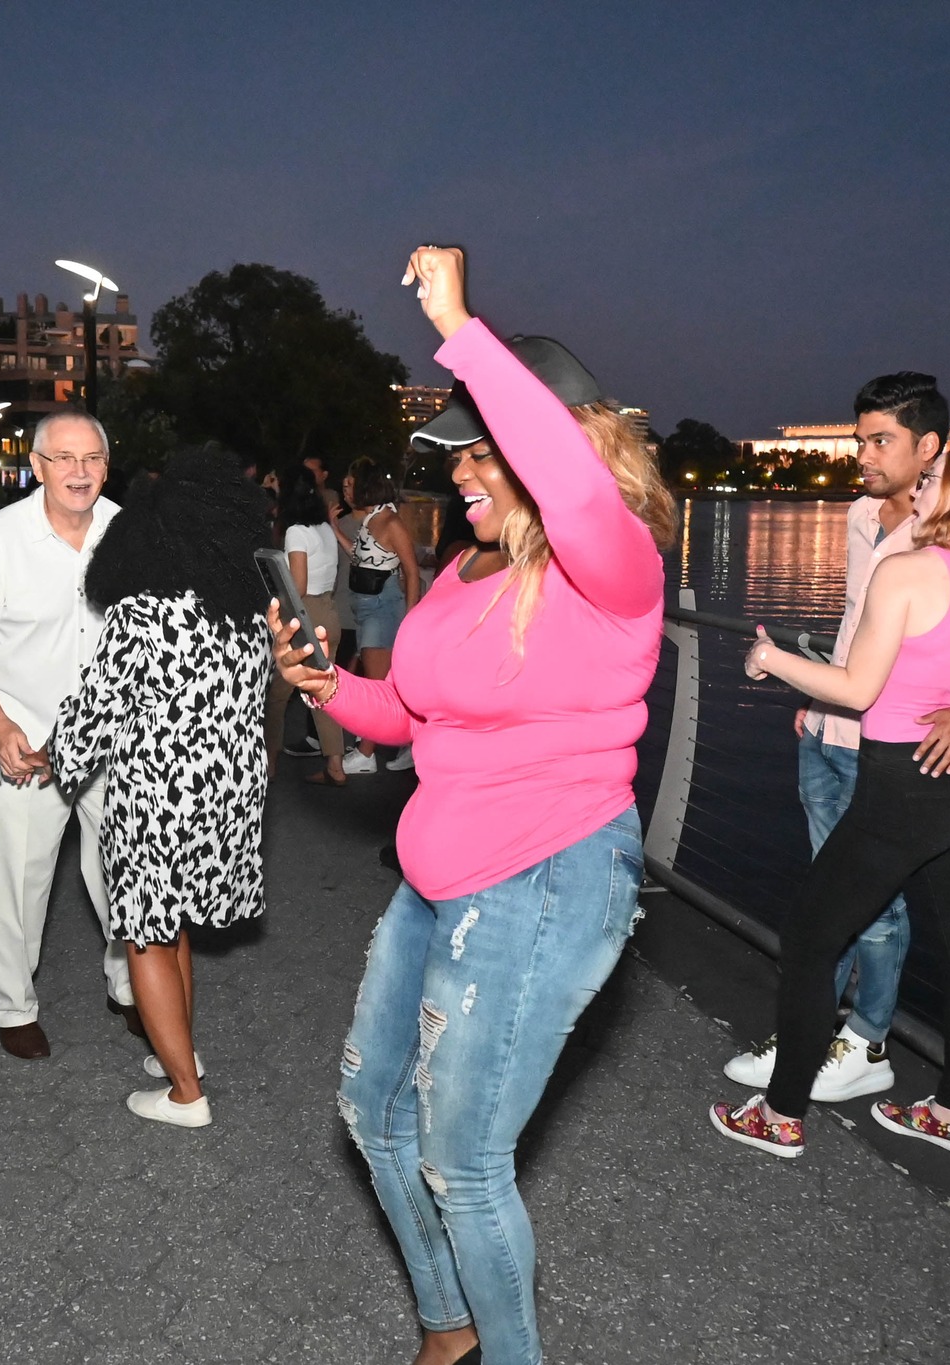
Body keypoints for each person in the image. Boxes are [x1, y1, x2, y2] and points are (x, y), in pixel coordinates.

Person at [271, 246, 674, 1365]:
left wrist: (458, 325)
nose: (453, 478)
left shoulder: (615, 566)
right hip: (432, 880)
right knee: (370, 1113)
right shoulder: (462, 572)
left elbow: (575, 489)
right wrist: (327, 687)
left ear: (551, 450)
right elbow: (410, 709)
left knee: (464, 1158)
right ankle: (449, 1323)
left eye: (474, 457)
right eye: (448, 461)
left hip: (544, 883)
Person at [723, 374, 950, 1102]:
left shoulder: (913, 569)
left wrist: (772, 660)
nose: (924, 482)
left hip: (898, 778)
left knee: (811, 935)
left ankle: (791, 1102)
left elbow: (862, 685)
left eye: (937, 475)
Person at [47, 447, 273, 1128]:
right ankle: (183, 1054)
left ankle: (184, 1094)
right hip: (228, 794)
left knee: (145, 932)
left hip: (160, 796)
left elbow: (94, 711)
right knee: (171, 927)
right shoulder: (244, 609)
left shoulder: (145, 613)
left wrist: (52, 756)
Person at [0, 412, 137, 1060]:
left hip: (110, 734)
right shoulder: (0, 537)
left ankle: (132, 987)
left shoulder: (126, 531)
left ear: (107, 466)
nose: (79, 471)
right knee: (18, 872)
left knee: (123, 865)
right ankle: (14, 1003)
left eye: (91, 459)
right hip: (22, 731)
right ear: (39, 466)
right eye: (64, 458)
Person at [334, 457, 422, 774]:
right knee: (383, 682)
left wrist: (410, 615)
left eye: (351, 484)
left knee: (376, 684)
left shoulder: (390, 521)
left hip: (384, 606)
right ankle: (407, 741)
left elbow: (412, 572)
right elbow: (360, 558)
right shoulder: (371, 518)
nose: (346, 490)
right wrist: (335, 529)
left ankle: (367, 753)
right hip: (366, 604)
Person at [264, 466, 346, 785]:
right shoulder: (325, 528)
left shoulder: (297, 531)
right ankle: (335, 766)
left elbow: (297, 585)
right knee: (324, 693)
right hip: (328, 610)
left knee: (278, 694)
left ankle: (269, 762)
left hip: (305, 614)